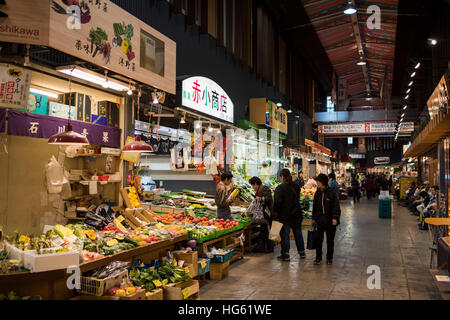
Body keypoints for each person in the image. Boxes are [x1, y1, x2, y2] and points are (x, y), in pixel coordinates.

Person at [273, 168, 305, 261]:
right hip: (297, 214)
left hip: (285, 215)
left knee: (285, 235)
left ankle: (286, 254)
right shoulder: (296, 186)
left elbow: (277, 202)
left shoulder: (280, 188)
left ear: (282, 177)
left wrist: (275, 212)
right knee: (298, 233)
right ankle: (302, 252)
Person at [312, 174, 341, 265]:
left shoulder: (332, 192)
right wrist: (314, 218)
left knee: (330, 241)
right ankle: (318, 257)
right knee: (318, 240)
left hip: (330, 221)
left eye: (318, 181)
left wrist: (335, 218)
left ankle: (329, 258)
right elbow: (315, 207)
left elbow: (336, 206)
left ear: (323, 182)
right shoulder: (318, 192)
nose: (317, 183)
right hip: (320, 221)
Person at [249, 177, 274, 253]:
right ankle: (262, 247)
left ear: (256, 184)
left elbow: (269, 198)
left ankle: (270, 248)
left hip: (266, 213)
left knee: (267, 231)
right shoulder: (259, 190)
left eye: (253, 185)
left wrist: (260, 199)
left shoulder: (264, 188)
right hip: (262, 214)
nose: (253, 187)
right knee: (263, 231)